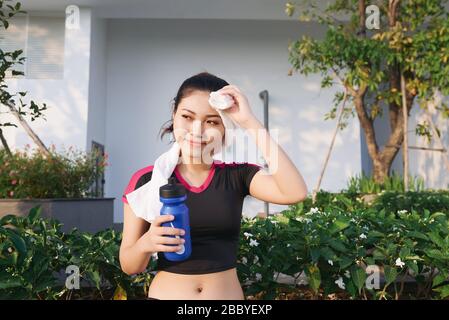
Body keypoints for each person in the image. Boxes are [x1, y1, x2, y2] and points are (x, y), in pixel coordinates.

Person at [119, 72, 308, 300]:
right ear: (174, 115)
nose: (197, 130)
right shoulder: (147, 180)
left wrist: (249, 121)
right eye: (188, 117)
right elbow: (130, 266)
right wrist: (146, 243)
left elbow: (295, 192)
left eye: (212, 121)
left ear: (225, 127)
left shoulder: (238, 176)